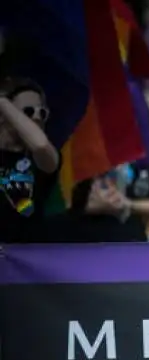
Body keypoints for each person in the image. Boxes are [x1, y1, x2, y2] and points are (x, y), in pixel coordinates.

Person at [0, 77, 59, 243]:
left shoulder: (43, 157)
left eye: (42, 112)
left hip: (24, 258)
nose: (37, 117)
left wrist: (2, 101)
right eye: (28, 112)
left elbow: (40, 145)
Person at [58, 160, 149, 242]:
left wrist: (127, 204)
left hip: (130, 242)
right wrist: (90, 206)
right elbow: (62, 206)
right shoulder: (83, 152)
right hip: (86, 241)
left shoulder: (141, 161)